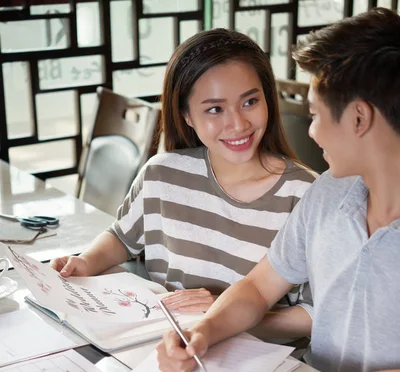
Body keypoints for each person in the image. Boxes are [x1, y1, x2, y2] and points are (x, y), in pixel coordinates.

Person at [157, 7, 400, 372]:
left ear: (359, 118)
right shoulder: (330, 193)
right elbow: (257, 286)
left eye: (317, 114)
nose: (311, 132)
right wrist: (206, 331)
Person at [50, 28, 315, 338]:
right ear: (186, 115)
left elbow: (313, 314)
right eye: (215, 109)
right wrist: (85, 263)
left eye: (250, 102)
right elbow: (122, 238)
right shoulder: (163, 175)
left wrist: (223, 317)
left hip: (261, 367)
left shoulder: (305, 196)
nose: (238, 123)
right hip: (164, 347)